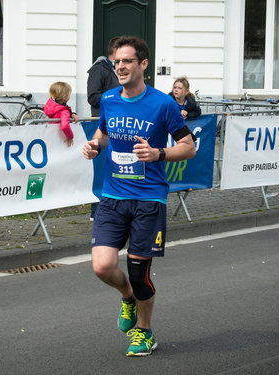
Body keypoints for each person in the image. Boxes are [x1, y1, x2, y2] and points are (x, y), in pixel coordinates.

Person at [82, 36, 196, 357]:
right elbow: (103, 133)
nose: (120, 66)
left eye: (127, 61)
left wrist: (158, 153)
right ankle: (127, 297)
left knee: (138, 270)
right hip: (113, 196)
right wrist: (94, 145)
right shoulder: (108, 99)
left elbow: (189, 147)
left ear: (143, 65)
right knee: (102, 267)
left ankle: (145, 332)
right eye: (116, 61)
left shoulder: (163, 104)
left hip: (149, 199)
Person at [87, 37, 121, 220]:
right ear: (114, 51)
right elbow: (92, 97)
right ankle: (96, 210)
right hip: (101, 124)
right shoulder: (99, 69)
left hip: (118, 125)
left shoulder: (119, 70)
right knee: (100, 169)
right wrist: (116, 96)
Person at [43, 81, 79, 147]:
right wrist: (70, 137)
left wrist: (72, 114)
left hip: (50, 134)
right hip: (60, 137)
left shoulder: (50, 105)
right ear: (65, 96)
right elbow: (65, 126)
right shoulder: (64, 111)